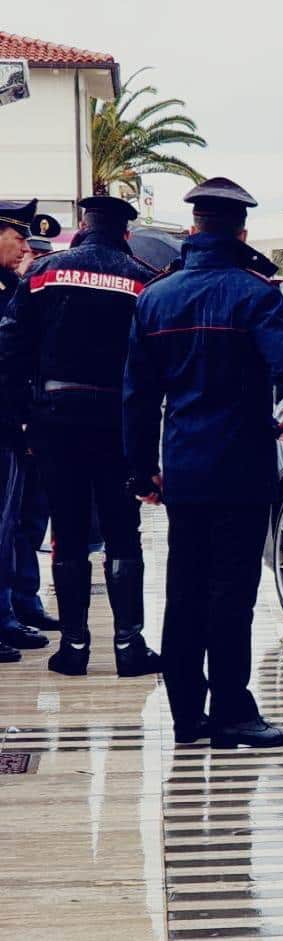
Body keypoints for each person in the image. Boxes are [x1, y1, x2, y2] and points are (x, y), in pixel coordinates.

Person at [125, 177, 283, 748]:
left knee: (184, 591)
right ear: (241, 232)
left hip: (183, 468)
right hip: (240, 469)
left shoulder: (155, 299)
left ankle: (187, 715)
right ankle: (233, 711)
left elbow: (136, 396)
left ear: (193, 230)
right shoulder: (254, 293)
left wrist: (142, 470)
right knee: (232, 596)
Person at [0, 196, 161, 676]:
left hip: (55, 421)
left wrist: (17, 424)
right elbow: (152, 370)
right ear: (124, 234)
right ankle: (129, 646)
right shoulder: (142, 280)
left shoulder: (44, 273)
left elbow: (10, 353)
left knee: (66, 533)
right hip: (118, 423)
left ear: (83, 228)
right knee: (120, 534)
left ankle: (73, 648)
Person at [0, 199, 52, 662]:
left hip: (14, 423)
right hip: (4, 422)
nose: (23, 248)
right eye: (18, 238)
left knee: (14, 524)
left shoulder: (12, 286)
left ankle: (10, 613)